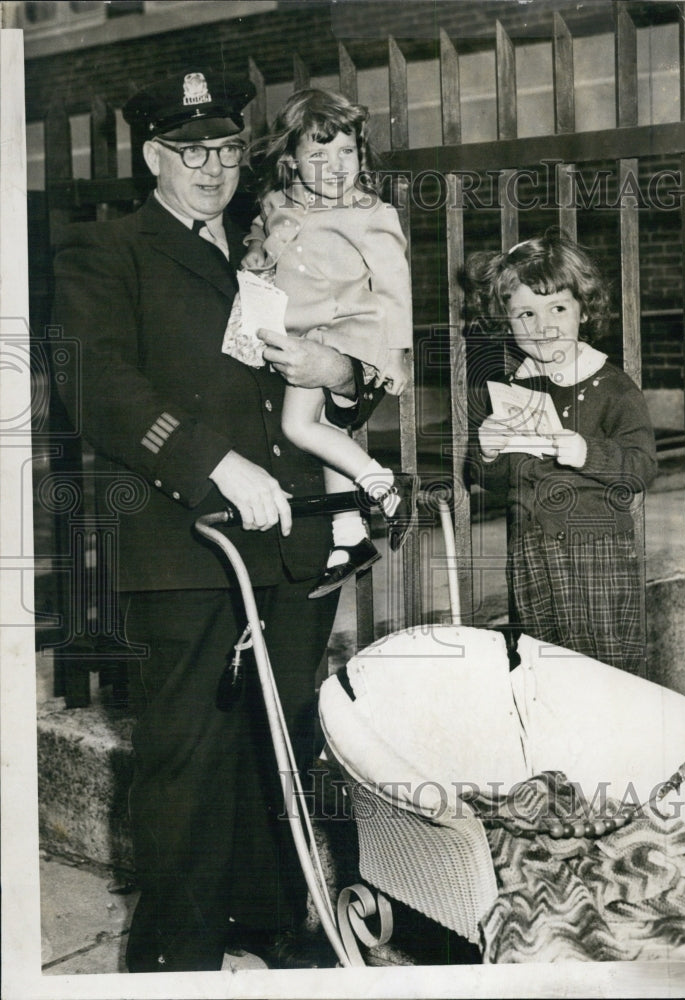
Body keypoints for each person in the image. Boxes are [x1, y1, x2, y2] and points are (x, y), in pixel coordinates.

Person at [52, 68, 379, 972]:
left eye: (227, 150)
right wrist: (211, 461)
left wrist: (341, 374)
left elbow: (357, 349)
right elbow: (97, 386)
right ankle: (177, 958)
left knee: (282, 742)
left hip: (293, 536)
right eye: (190, 151)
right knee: (186, 755)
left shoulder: (276, 238)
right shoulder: (108, 250)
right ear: (154, 154)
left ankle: (274, 921)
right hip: (184, 543)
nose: (212, 168)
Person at [235, 88, 416, 599]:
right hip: (296, 328)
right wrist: (254, 251)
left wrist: (397, 352)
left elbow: (395, 284)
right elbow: (258, 229)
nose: (336, 166)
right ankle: (350, 537)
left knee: (298, 426)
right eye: (318, 154)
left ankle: (381, 482)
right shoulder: (278, 202)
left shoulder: (370, 213)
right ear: (291, 161)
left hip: (344, 332)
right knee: (323, 431)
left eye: (347, 152)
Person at [466, 230, 657, 673]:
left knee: (606, 668)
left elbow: (643, 466)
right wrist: (489, 454)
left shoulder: (611, 386)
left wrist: (589, 452)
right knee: (543, 666)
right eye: (525, 314)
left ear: (583, 310)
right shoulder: (516, 387)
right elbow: (501, 480)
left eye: (557, 308)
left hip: (597, 548)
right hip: (530, 549)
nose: (543, 326)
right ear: (506, 321)